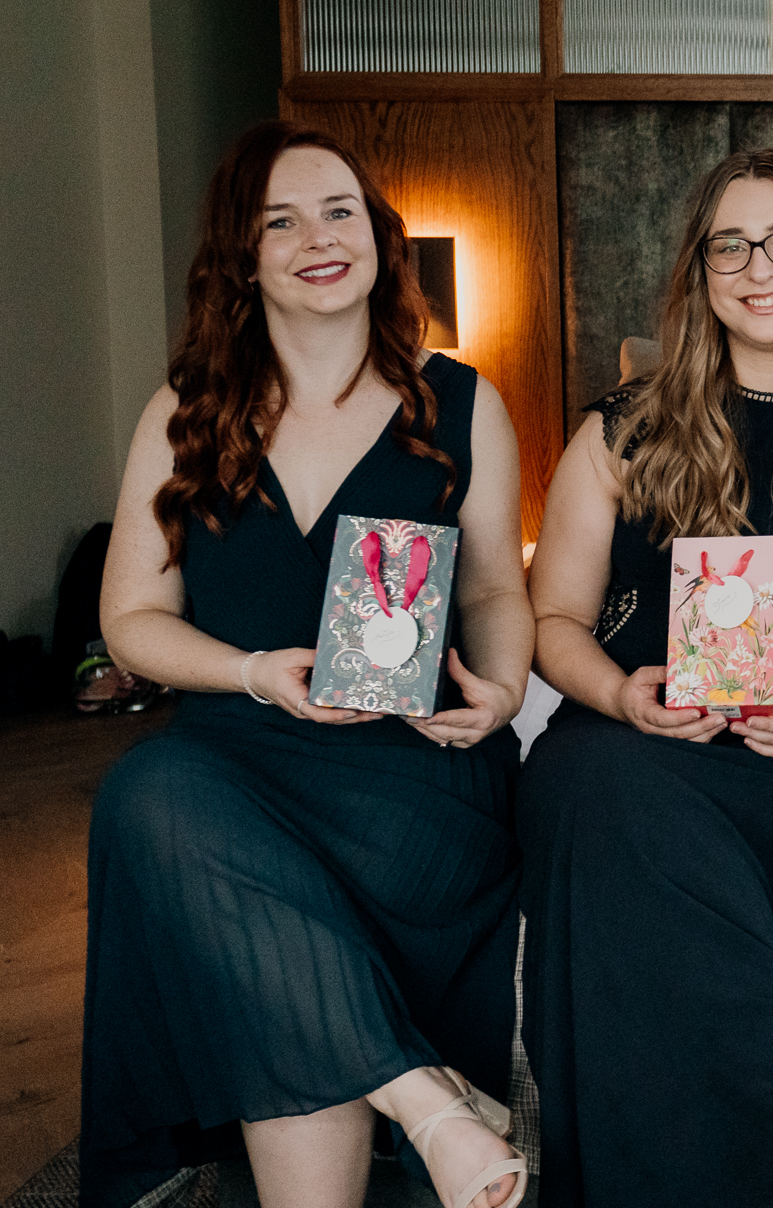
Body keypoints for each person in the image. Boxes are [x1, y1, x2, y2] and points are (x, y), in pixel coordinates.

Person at [85, 120, 533, 1208]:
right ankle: (429, 1098)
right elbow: (132, 616)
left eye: (339, 211)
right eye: (279, 220)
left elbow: (490, 587)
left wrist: (506, 688)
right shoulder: (183, 415)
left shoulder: (463, 400)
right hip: (238, 762)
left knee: (250, 917)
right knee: (152, 790)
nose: (316, 238)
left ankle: (417, 1101)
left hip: (412, 775)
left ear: (380, 238)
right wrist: (252, 672)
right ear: (242, 257)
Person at [517, 148, 773, 1208]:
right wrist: (620, 695)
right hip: (627, 738)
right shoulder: (619, 427)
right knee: (608, 791)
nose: (757, 264)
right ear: (698, 269)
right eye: (728, 242)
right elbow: (553, 617)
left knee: (661, 840)